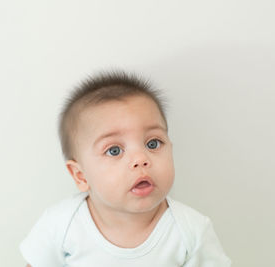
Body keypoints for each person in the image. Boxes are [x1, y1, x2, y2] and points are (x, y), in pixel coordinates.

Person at [19, 71, 231, 267]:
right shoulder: (60, 225)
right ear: (80, 175)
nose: (140, 159)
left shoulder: (191, 231)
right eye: (114, 150)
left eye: (153, 144)